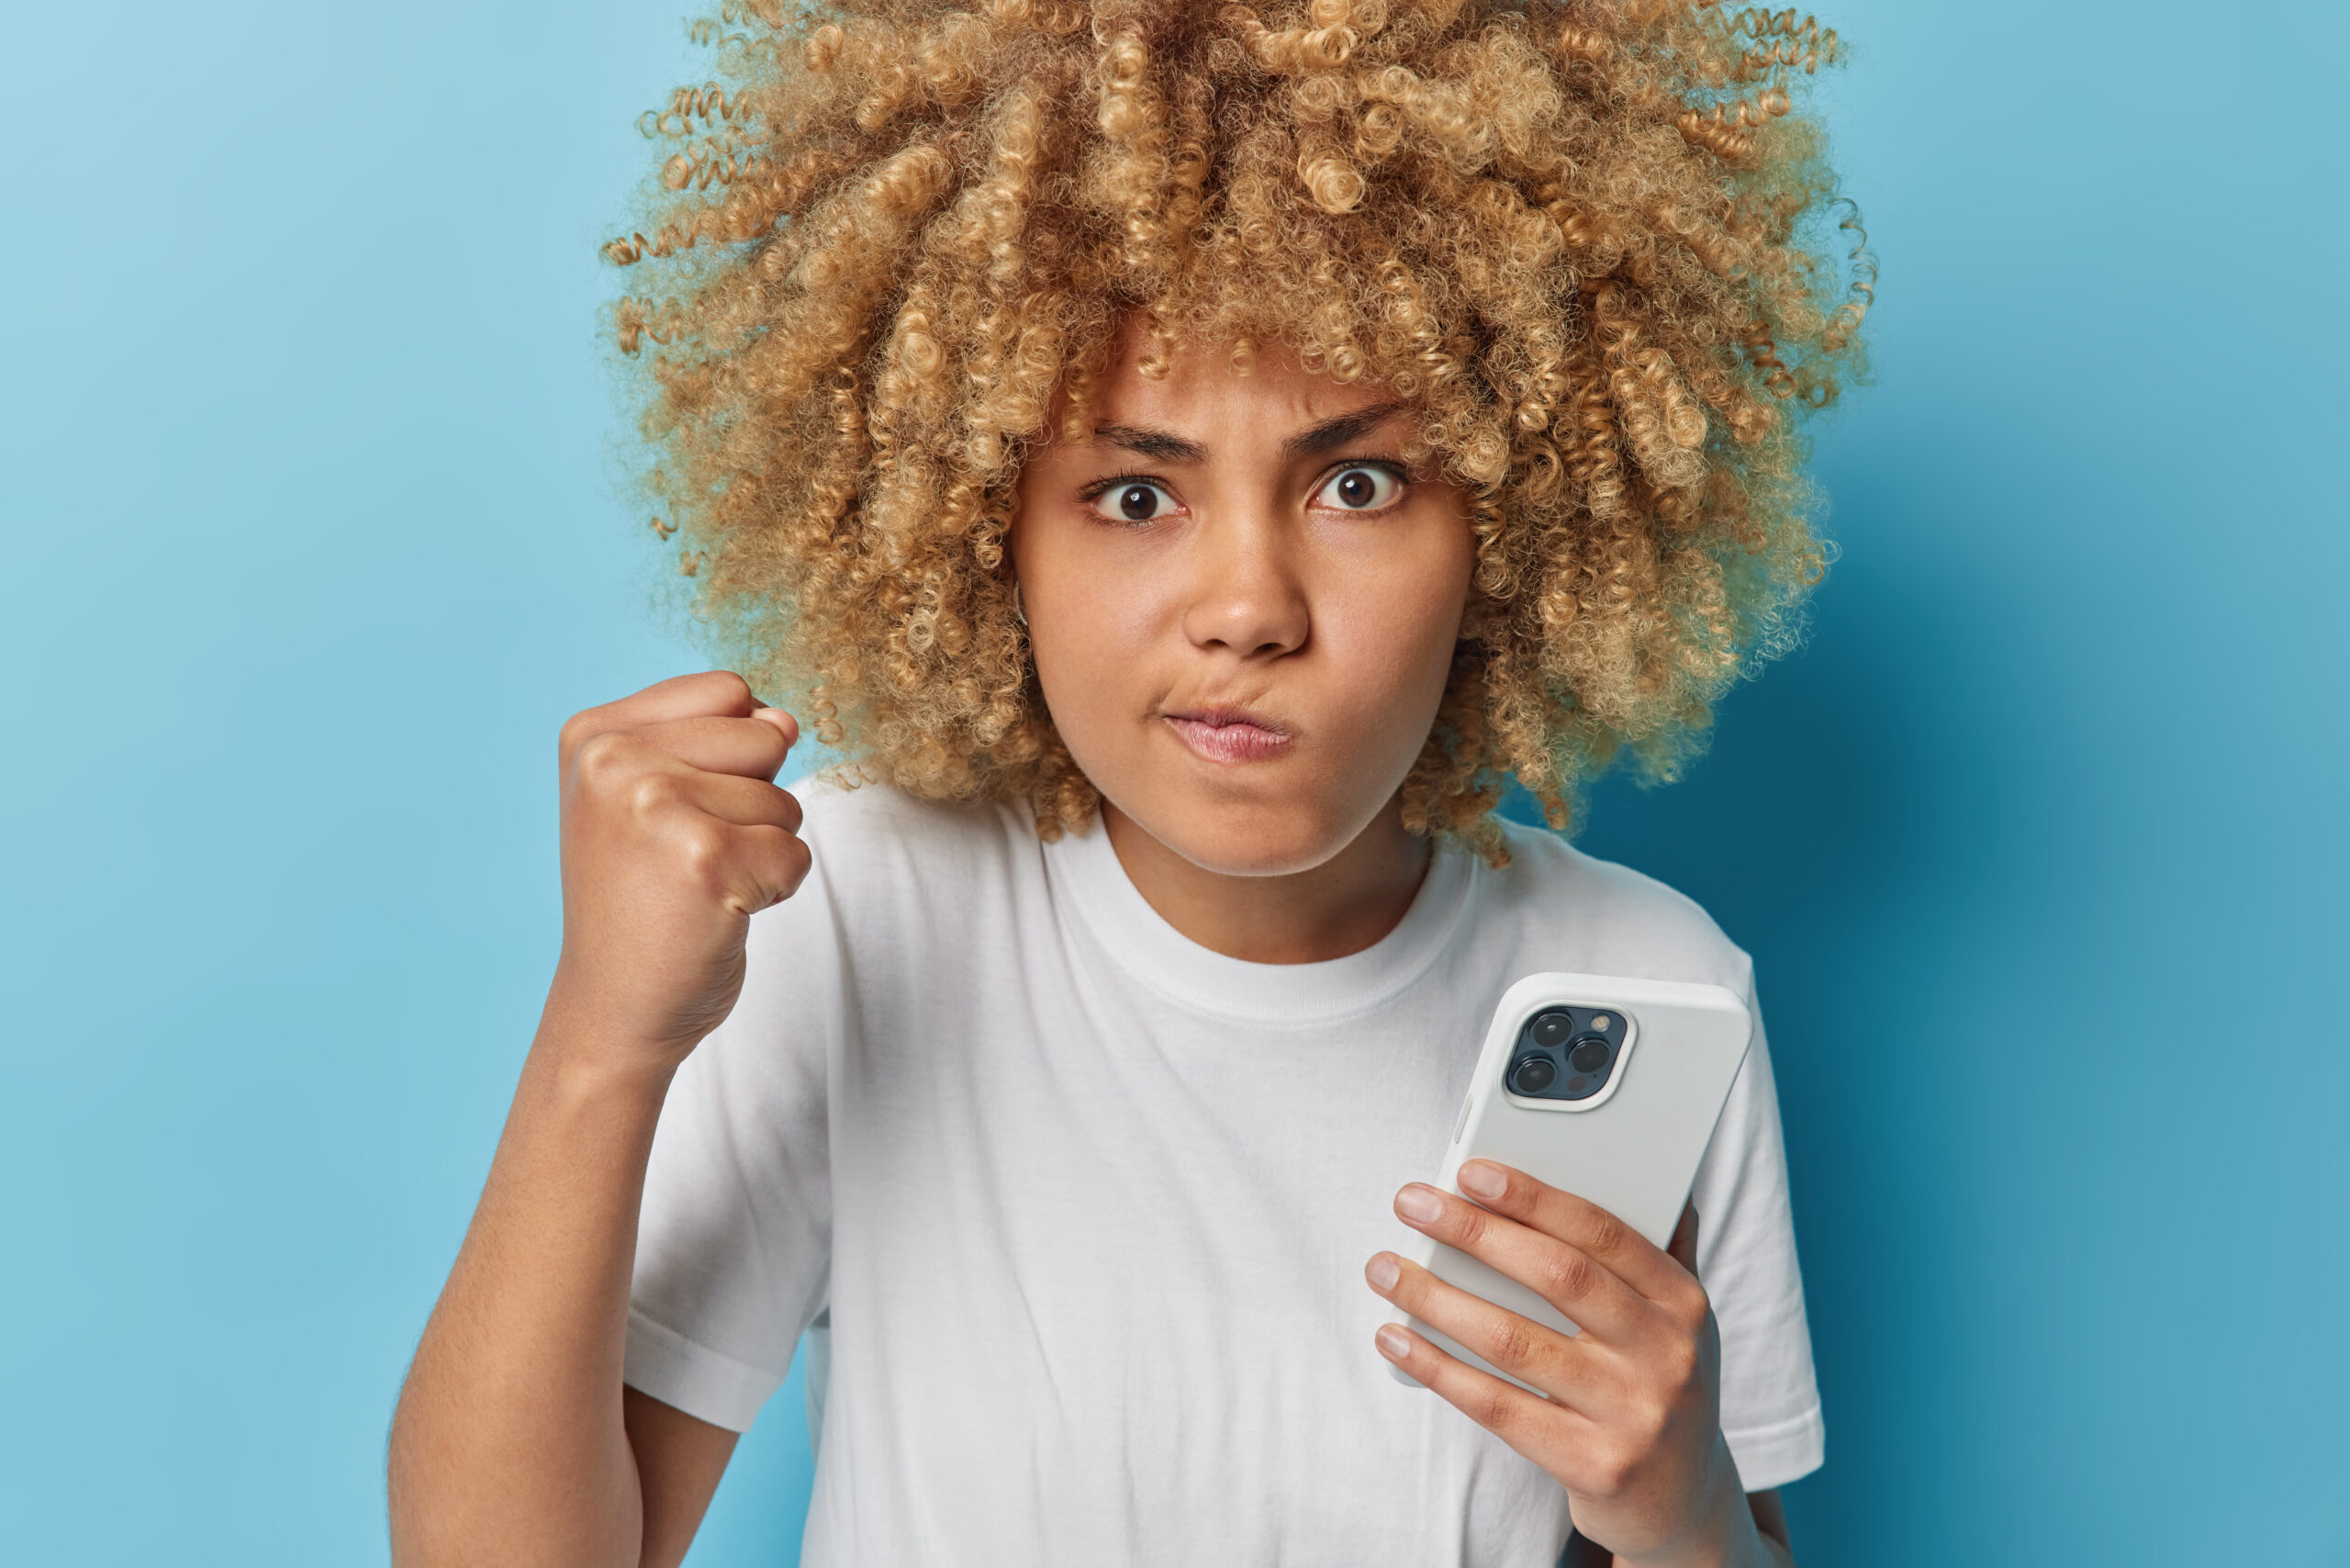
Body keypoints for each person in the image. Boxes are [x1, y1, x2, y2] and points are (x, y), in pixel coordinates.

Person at [387, 3, 1870, 1564]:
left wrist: (1686, 1515)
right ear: (987, 534)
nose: (1249, 609)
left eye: (1359, 482)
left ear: (1510, 524)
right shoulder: (851, 916)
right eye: (1136, 494)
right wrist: (602, 1038)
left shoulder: (1647, 985)